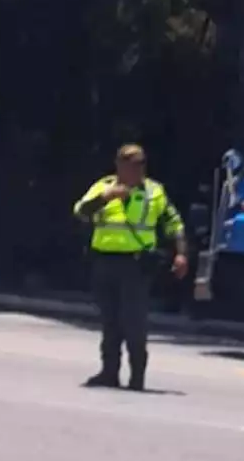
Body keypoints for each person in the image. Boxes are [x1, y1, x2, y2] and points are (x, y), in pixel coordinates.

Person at [72, 144, 188, 390]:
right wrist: (106, 198)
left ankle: (137, 377)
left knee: (134, 322)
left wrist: (181, 254)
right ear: (118, 165)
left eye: (139, 164)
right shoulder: (103, 187)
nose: (135, 169)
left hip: (136, 265)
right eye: (129, 164)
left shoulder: (154, 192)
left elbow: (173, 223)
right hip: (104, 262)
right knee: (109, 321)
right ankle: (109, 372)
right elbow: (81, 211)